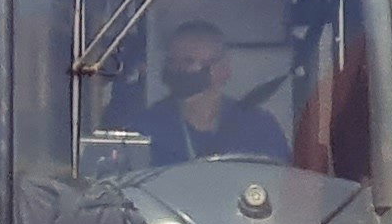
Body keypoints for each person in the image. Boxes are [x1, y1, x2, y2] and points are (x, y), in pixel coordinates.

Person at [116, 19, 290, 167]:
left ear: (222, 69)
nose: (178, 70)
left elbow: (280, 185)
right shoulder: (145, 129)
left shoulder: (259, 127)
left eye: (188, 61)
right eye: (172, 61)